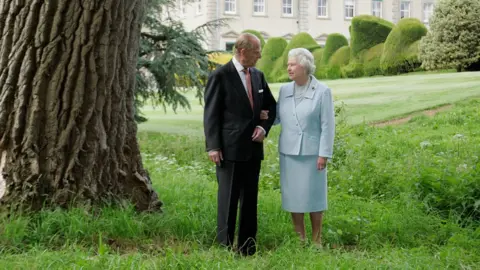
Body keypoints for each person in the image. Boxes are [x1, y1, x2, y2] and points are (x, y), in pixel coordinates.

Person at [203, 33, 277, 256]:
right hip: (229, 150)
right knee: (228, 201)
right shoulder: (220, 76)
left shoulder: (258, 75)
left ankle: (247, 249)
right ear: (243, 52)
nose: (260, 55)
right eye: (257, 51)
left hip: (253, 150)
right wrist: (213, 146)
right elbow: (211, 114)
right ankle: (224, 248)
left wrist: (263, 127)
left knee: (250, 201)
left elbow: (271, 108)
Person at [261, 48, 335, 247]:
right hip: (289, 152)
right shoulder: (285, 90)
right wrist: (264, 117)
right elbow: (279, 117)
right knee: (294, 196)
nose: (289, 68)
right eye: (288, 64)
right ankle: (299, 238)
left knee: (314, 196)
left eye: (292, 64)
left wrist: (324, 154)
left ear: (304, 66)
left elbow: (328, 125)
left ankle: (317, 239)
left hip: (313, 154)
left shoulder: (322, 91)